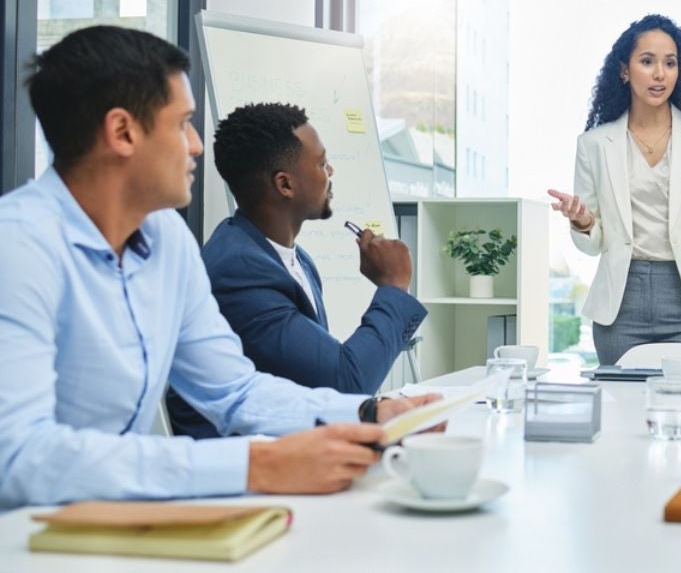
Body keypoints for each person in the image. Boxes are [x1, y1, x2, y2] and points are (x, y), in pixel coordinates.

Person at [0, 26, 438, 508]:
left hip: (103, 523)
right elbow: (19, 456)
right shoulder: (19, 245)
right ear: (123, 131)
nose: (195, 145)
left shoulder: (168, 241)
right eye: (181, 123)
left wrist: (370, 412)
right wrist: (256, 465)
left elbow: (233, 390)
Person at [167, 103, 426, 439]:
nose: (330, 170)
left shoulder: (297, 260)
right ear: (285, 184)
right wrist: (392, 288)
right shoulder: (240, 269)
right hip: (239, 466)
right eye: (320, 163)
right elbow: (346, 383)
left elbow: (321, 385)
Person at [546, 14, 681, 366]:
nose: (659, 73)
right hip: (622, 305)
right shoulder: (593, 144)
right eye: (647, 61)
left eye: (670, 63)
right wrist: (583, 222)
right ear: (625, 70)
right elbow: (592, 245)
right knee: (623, 410)